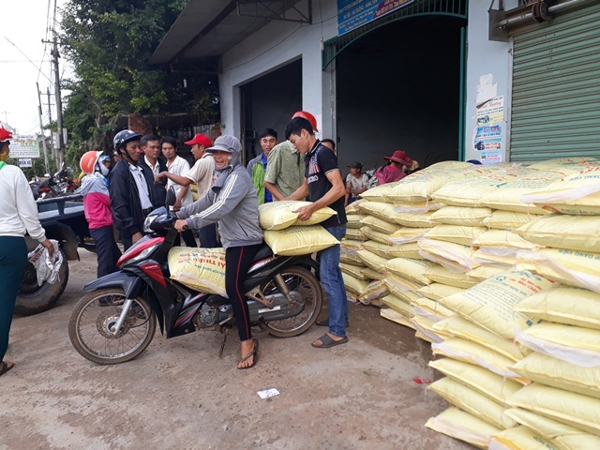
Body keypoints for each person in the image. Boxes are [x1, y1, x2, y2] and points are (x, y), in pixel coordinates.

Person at [175, 135, 263, 369]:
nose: (218, 157)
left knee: (232, 287)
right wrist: (179, 214)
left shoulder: (238, 176)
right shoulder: (222, 176)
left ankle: (247, 342)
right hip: (232, 239)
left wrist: (190, 223)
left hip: (244, 240)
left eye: (224, 153)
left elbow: (221, 207)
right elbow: (206, 201)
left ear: (234, 156)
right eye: (215, 153)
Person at [284, 117, 349, 349]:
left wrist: (312, 207)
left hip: (333, 223)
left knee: (328, 275)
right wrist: (282, 204)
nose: (294, 146)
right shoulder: (309, 157)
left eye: (294, 141)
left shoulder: (323, 153)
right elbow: (305, 188)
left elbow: (339, 188)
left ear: (304, 133)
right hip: (323, 224)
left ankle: (337, 332)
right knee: (333, 273)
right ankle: (340, 318)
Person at [0, 125, 55, 376]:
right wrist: (42, 238)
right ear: (3, 149)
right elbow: (27, 213)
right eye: (7, 145)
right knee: (4, 304)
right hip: (9, 243)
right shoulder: (11, 173)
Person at [156, 133, 218, 247]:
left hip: (206, 208)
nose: (191, 151)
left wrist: (166, 174)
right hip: (214, 207)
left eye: (193, 147)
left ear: (202, 147)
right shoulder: (214, 160)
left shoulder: (202, 162)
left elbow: (185, 181)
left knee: (206, 245)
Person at [109, 129, 162, 250]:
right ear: (122, 150)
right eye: (134, 147)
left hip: (150, 222)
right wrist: (133, 231)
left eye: (139, 147)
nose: (138, 151)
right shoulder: (119, 173)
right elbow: (119, 205)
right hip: (136, 228)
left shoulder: (141, 168)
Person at [77, 151, 121, 277]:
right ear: (95, 166)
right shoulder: (96, 182)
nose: (106, 166)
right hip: (101, 225)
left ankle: (116, 289)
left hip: (100, 225)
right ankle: (102, 293)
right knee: (105, 262)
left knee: (116, 258)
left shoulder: (88, 180)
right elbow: (109, 200)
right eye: (102, 163)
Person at [161, 136, 196, 247]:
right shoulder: (165, 164)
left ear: (175, 149)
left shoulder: (182, 163)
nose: (167, 151)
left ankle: (194, 256)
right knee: (174, 236)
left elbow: (185, 183)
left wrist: (179, 200)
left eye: (170, 148)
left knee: (186, 234)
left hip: (182, 205)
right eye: (165, 149)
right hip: (171, 207)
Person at [247, 128, 277, 204]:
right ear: (260, 142)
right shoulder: (253, 164)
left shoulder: (283, 161)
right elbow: (247, 188)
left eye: (272, 141)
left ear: (277, 142)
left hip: (278, 206)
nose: (268, 144)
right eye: (265, 141)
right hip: (259, 207)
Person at [141, 135, 167, 206]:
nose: (156, 150)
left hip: (163, 206)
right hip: (146, 207)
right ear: (144, 148)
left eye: (158, 147)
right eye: (152, 147)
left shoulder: (163, 165)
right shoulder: (139, 167)